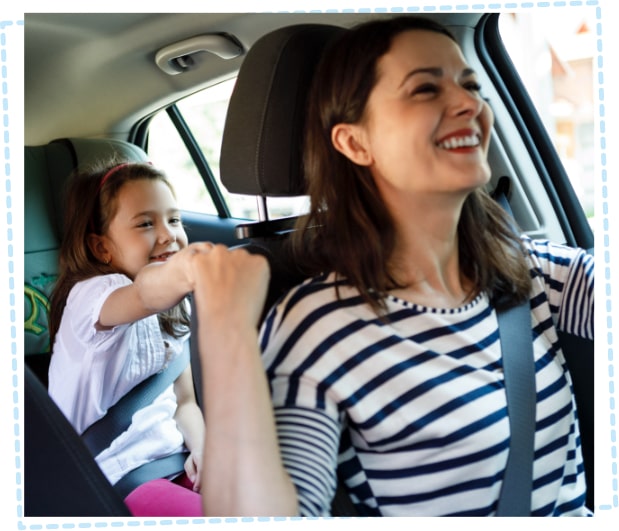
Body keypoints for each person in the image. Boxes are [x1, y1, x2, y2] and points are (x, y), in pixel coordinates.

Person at [197, 16, 594, 517]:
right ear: (355, 143)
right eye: (425, 89)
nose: (470, 104)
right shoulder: (315, 326)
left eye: (470, 84)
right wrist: (225, 327)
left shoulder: (538, 273)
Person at [48, 160, 220, 516]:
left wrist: (203, 450)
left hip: (175, 462)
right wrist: (190, 271)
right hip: (115, 480)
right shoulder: (93, 298)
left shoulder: (173, 308)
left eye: (174, 219)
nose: (168, 234)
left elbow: (184, 401)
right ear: (101, 248)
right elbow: (144, 294)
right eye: (145, 223)